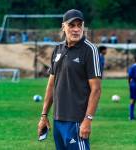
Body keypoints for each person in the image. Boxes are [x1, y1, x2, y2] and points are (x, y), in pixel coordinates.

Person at [37, 9, 101, 150]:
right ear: (63, 26)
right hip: (58, 119)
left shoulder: (90, 50)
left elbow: (96, 89)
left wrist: (88, 119)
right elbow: (51, 84)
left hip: (77, 121)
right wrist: (44, 115)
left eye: (80, 25)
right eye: (72, 25)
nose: (76, 29)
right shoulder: (58, 49)